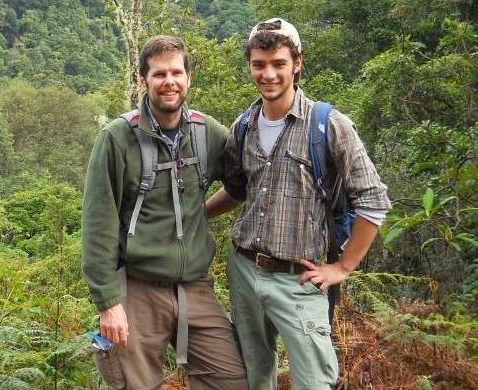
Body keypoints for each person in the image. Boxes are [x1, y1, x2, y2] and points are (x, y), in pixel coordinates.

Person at [206, 18, 392, 389]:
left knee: (314, 382)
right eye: (259, 64)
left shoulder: (328, 125)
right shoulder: (243, 125)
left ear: (297, 63)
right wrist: (197, 216)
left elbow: (373, 200)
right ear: (249, 65)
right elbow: (240, 190)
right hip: (244, 270)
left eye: (278, 63)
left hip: (299, 279)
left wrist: (341, 267)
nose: (269, 74)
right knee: (252, 376)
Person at [81, 35, 248, 390]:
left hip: (195, 287)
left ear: (188, 78)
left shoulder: (206, 133)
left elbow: (241, 185)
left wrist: (200, 213)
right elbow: (98, 223)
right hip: (138, 287)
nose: (168, 81)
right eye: (159, 74)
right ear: (144, 80)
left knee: (231, 380)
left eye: (176, 72)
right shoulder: (116, 139)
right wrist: (108, 303)